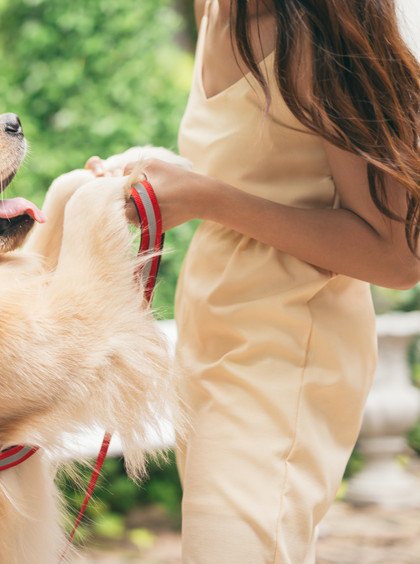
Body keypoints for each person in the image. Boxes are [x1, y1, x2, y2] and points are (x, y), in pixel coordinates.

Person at [81, 0, 420, 561]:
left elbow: (399, 259)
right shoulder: (214, 9)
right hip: (210, 339)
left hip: (286, 354)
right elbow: (259, 171)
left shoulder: (319, 32)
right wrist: (163, 177)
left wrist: (205, 198)